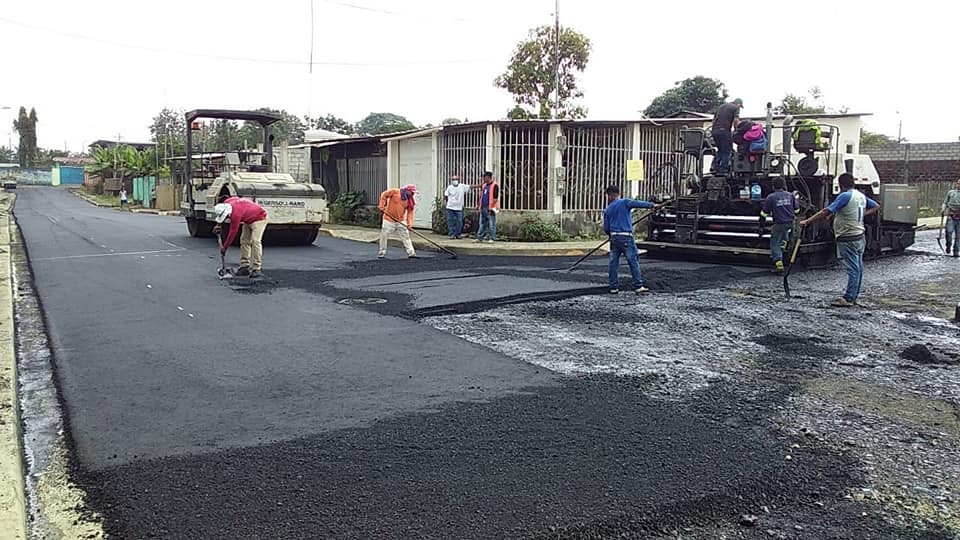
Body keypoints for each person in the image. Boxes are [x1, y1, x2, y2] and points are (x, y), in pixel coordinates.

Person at [800, 173, 880, 307]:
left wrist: (807, 221)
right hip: (859, 236)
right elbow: (876, 206)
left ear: (841, 185)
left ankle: (848, 298)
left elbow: (825, 211)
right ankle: (853, 296)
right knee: (858, 268)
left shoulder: (845, 196)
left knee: (853, 269)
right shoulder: (860, 195)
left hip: (848, 237)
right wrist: (860, 215)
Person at [603, 185, 664, 294]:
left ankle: (613, 287)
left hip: (614, 238)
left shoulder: (607, 209)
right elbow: (638, 203)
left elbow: (606, 228)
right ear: (618, 194)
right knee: (633, 261)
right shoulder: (624, 202)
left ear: (609, 195)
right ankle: (638, 285)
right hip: (626, 236)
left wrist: (611, 235)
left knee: (613, 263)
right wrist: (652, 205)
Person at [213, 197, 268, 278]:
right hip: (248, 219)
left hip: (259, 218)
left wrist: (225, 248)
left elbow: (232, 233)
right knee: (244, 241)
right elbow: (236, 199)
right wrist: (218, 225)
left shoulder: (236, 215)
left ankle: (256, 268)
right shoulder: (227, 202)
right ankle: (244, 266)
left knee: (255, 241)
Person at [761, 178, 800, 272]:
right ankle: (783, 246)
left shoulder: (771, 197)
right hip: (790, 223)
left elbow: (764, 214)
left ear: (773, 186)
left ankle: (779, 265)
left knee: (775, 243)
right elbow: (797, 210)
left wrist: (761, 227)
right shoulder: (790, 195)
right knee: (784, 235)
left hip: (779, 224)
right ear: (784, 185)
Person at [377, 184, 418, 259]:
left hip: (400, 221)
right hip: (389, 219)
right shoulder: (395, 192)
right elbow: (384, 195)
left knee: (406, 236)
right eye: (412, 192)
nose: (413, 194)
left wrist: (409, 224)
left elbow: (410, 213)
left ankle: (411, 253)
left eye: (413, 192)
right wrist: (382, 206)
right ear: (407, 190)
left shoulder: (410, 201)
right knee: (384, 235)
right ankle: (382, 252)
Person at [711, 98, 743, 175]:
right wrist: (737, 131)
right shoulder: (735, 108)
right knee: (727, 150)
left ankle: (715, 167)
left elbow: (713, 120)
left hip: (715, 131)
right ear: (738, 104)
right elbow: (736, 120)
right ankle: (723, 169)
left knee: (720, 149)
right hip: (724, 131)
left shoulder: (721, 106)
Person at [474, 172, 499, 243]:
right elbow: (481, 196)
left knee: (491, 224)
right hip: (483, 207)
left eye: (484, 177)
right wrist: (478, 205)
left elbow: (495, 198)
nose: (483, 179)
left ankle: (492, 238)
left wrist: (491, 207)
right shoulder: (484, 185)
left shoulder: (495, 185)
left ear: (488, 177)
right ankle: (479, 237)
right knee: (481, 223)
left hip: (490, 208)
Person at [444, 174, 470, 239]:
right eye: (453, 179)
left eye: (456, 179)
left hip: (458, 207)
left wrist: (481, 185)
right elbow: (446, 195)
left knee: (459, 221)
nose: (455, 181)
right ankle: (451, 234)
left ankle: (458, 234)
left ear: (459, 180)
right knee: (450, 221)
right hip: (450, 207)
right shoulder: (449, 187)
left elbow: (470, 186)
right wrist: (448, 202)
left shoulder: (462, 186)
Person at [941, 178, 960, 257]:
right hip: (951, 216)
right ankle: (948, 245)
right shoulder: (951, 192)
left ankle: (956, 250)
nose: (959, 185)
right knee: (949, 232)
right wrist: (943, 209)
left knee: (958, 236)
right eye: (958, 183)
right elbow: (945, 202)